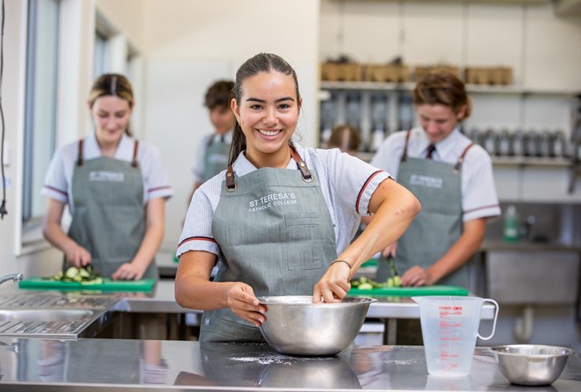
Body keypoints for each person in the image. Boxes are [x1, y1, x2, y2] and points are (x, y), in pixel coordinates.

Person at [175, 53, 420, 342]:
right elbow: (186, 288)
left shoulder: (330, 168)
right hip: (231, 356)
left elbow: (404, 203)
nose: (270, 119)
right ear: (237, 110)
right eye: (256, 106)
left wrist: (345, 264)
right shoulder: (211, 193)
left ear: (299, 107)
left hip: (318, 348)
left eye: (283, 106)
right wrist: (226, 294)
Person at [371, 71, 501, 289]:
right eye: (425, 119)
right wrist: (383, 227)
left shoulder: (473, 158)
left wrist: (432, 274)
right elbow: (366, 203)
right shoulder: (396, 146)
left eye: (441, 121)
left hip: (445, 283)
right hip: (392, 277)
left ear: (461, 111)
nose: (432, 128)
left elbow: (474, 234)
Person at [42, 73, 173, 280]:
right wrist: (70, 248)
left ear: (131, 108)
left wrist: (137, 266)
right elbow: (50, 225)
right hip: (82, 278)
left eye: (120, 115)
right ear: (90, 107)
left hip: (136, 276)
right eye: (103, 114)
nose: (111, 124)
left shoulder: (148, 156)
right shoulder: (67, 155)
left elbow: (155, 225)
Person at [189, 80, 236, 199]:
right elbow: (198, 184)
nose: (215, 118)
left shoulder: (247, 144)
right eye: (211, 111)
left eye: (222, 112)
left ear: (236, 109)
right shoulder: (206, 143)